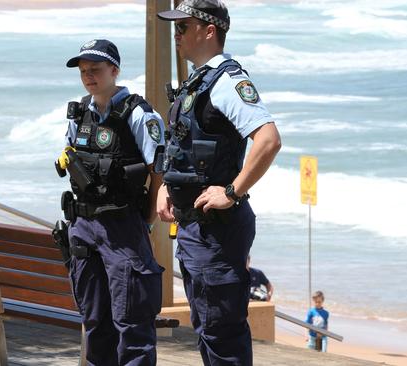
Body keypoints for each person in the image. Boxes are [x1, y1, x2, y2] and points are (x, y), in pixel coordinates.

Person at [156, 1, 282, 364]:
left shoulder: (227, 81)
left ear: (209, 31)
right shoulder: (198, 80)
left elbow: (269, 139)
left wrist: (232, 191)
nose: (176, 34)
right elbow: (181, 144)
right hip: (197, 231)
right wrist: (167, 185)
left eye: (183, 27)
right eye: (175, 28)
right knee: (209, 331)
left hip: (216, 232)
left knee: (222, 335)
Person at [58, 39, 166, 365]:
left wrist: (146, 220)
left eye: (96, 69)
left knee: (132, 325)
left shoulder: (138, 114)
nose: (89, 76)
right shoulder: (79, 113)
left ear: (114, 70)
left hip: (123, 229)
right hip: (83, 229)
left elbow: (159, 171)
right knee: (95, 324)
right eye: (84, 71)